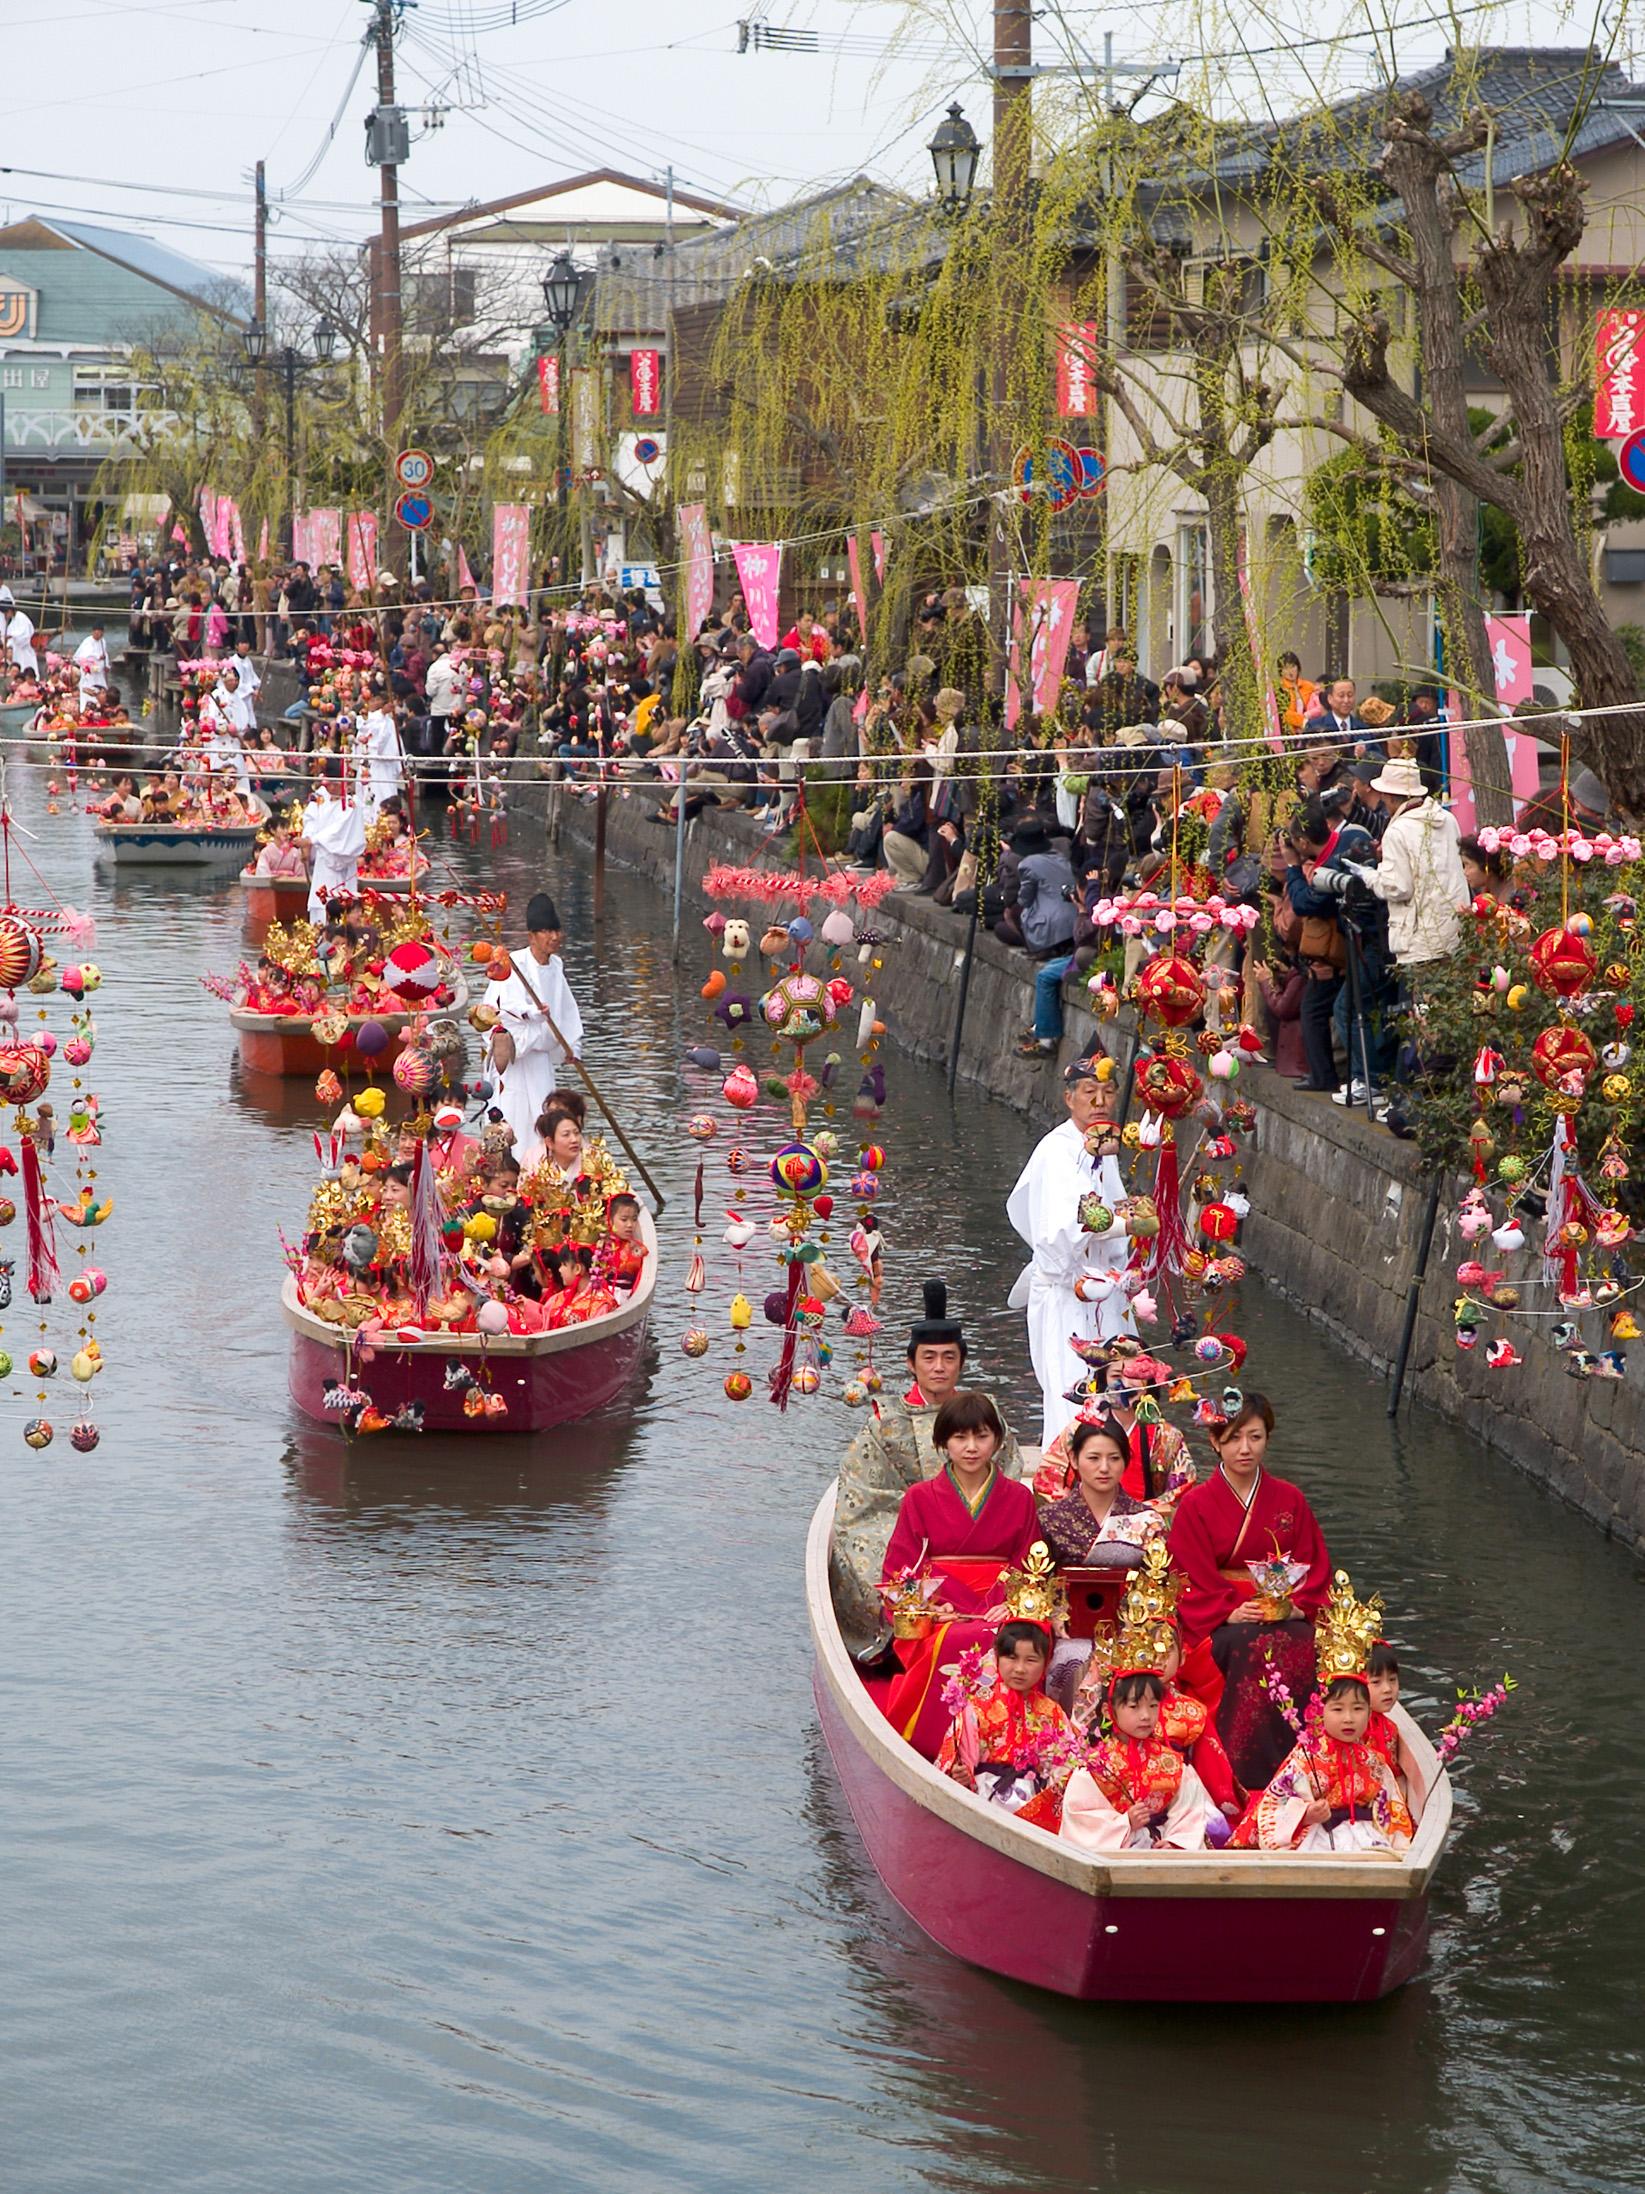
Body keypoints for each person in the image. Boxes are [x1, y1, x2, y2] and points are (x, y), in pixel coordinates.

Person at [828, 1281, 1025, 1660]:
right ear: (911, 1363)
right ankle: (888, 1644)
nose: (939, 1367)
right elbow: (863, 1493)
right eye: (929, 1357)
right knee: (864, 1556)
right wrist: (924, 1514)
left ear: (961, 1362)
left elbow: (1010, 1471)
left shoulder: (986, 1413)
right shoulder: (885, 1420)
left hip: (975, 1529)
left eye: (949, 1358)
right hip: (902, 1522)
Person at [1167, 1394, 1333, 1792]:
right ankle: (1245, 1774)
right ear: (1215, 1442)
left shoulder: (1289, 1499)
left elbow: (1315, 1566)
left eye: (1255, 1437)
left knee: (1303, 1642)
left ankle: (1302, 1765)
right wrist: (1228, 1611)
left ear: (1267, 1439)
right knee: (1250, 1645)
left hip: (1282, 1610)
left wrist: (1296, 1607)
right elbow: (1187, 1573)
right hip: (1222, 1616)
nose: (1245, 1448)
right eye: (1234, 1437)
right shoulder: (1195, 1504)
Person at [878, 1390, 1042, 1758]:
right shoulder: (919, 1497)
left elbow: (1031, 1564)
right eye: (960, 1437)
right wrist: (931, 1607)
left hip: (1001, 1604)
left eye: (982, 1436)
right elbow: (901, 1569)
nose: (971, 1447)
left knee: (1012, 1639)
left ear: (997, 1441)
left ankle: (1007, 1744)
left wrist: (1013, 1602)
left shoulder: (1019, 1497)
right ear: (943, 1442)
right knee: (951, 1639)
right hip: (941, 1608)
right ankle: (937, 1742)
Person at [1006, 1054, 1138, 1450]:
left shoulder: (1103, 1148)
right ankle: (1065, 1477)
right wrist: (1127, 1225)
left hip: (1108, 1289)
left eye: (1108, 1093)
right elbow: (1064, 1227)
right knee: (1072, 1389)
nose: (1099, 1101)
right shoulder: (1056, 1151)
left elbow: (1113, 1216)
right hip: (1068, 1289)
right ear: (1069, 1098)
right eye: (1089, 1092)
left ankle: (1120, 1470)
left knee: (1122, 1382)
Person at [1233, 1585, 1414, 1850]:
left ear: (1369, 1710)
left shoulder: (1373, 1761)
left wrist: (1401, 1846)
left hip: (1365, 1838)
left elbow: (1393, 1812)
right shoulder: (1306, 1757)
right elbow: (1274, 1805)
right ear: (1320, 1710)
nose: (1349, 1719)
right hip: (1315, 1838)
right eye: (1338, 1709)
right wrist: (1305, 1815)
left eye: (1358, 1709)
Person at [934, 1604, 1080, 1832]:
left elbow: (1064, 1770)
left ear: (1045, 1664)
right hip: (983, 1800)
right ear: (997, 1658)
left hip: (1035, 1806)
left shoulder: (1052, 1712)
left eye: (1031, 1660)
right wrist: (962, 1777)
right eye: (1011, 1658)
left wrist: (1044, 1802)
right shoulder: (976, 1707)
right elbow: (958, 1764)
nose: (1020, 1669)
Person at [1059, 1669, 1214, 1853]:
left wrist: (1176, 1842)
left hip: (1162, 1854)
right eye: (1134, 1706)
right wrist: (1125, 1823)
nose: (1146, 1716)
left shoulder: (1172, 1763)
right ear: (1108, 1712)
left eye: (1153, 1705)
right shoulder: (1094, 1765)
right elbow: (1081, 1820)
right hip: (1113, 1857)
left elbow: (1190, 1812)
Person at [483, 892, 583, 1168]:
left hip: (540, 1060)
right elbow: (494, 1011)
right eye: (546, 931)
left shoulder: (556, 966)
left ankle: (543, 1174)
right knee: (513, 1119)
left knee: (543, 1116)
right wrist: (531, 1015)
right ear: (532, 936)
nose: (554, 937)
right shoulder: (512, 965)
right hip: (514, 1061)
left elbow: (566, 1010)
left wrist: (572, 1047)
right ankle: (509, 1172)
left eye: (556, 930)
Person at [1357, 756, 1470, 972]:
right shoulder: (1447, 819)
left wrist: (1370, 876)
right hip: (1455, 930)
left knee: (1426, 1001)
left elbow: (1398, 887)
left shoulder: (1397, 831)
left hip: (1420, 939)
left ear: (1389, 796)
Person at [1364, 1639, 1425, 1818]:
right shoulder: (1352, 1728)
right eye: (1376, 1682)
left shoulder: (1389, 1728)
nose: (1387, 1689)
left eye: (1392, 1680)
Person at [298, 764, 366, 921]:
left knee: (342, 905)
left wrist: (311, 840)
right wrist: (307, 843)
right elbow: (311, 819)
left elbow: (337, 831)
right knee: (319, 903)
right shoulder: (320, 797)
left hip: (340, 860)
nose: (330, 788)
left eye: (334, 784)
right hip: (322, 860)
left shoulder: (351, 805)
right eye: (328, 784)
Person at [73, 623, 111, 706]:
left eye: (100, 632)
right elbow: (83, 657)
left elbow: (105, 654)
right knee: (89, 692)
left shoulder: (102, 641)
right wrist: (97, 657)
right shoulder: (88, 642)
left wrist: (107, 665)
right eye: (96, 632)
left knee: (102, 691)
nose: (98, 634)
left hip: (99, 673)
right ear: (93, 632)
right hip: (89, 673)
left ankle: (102, 705)